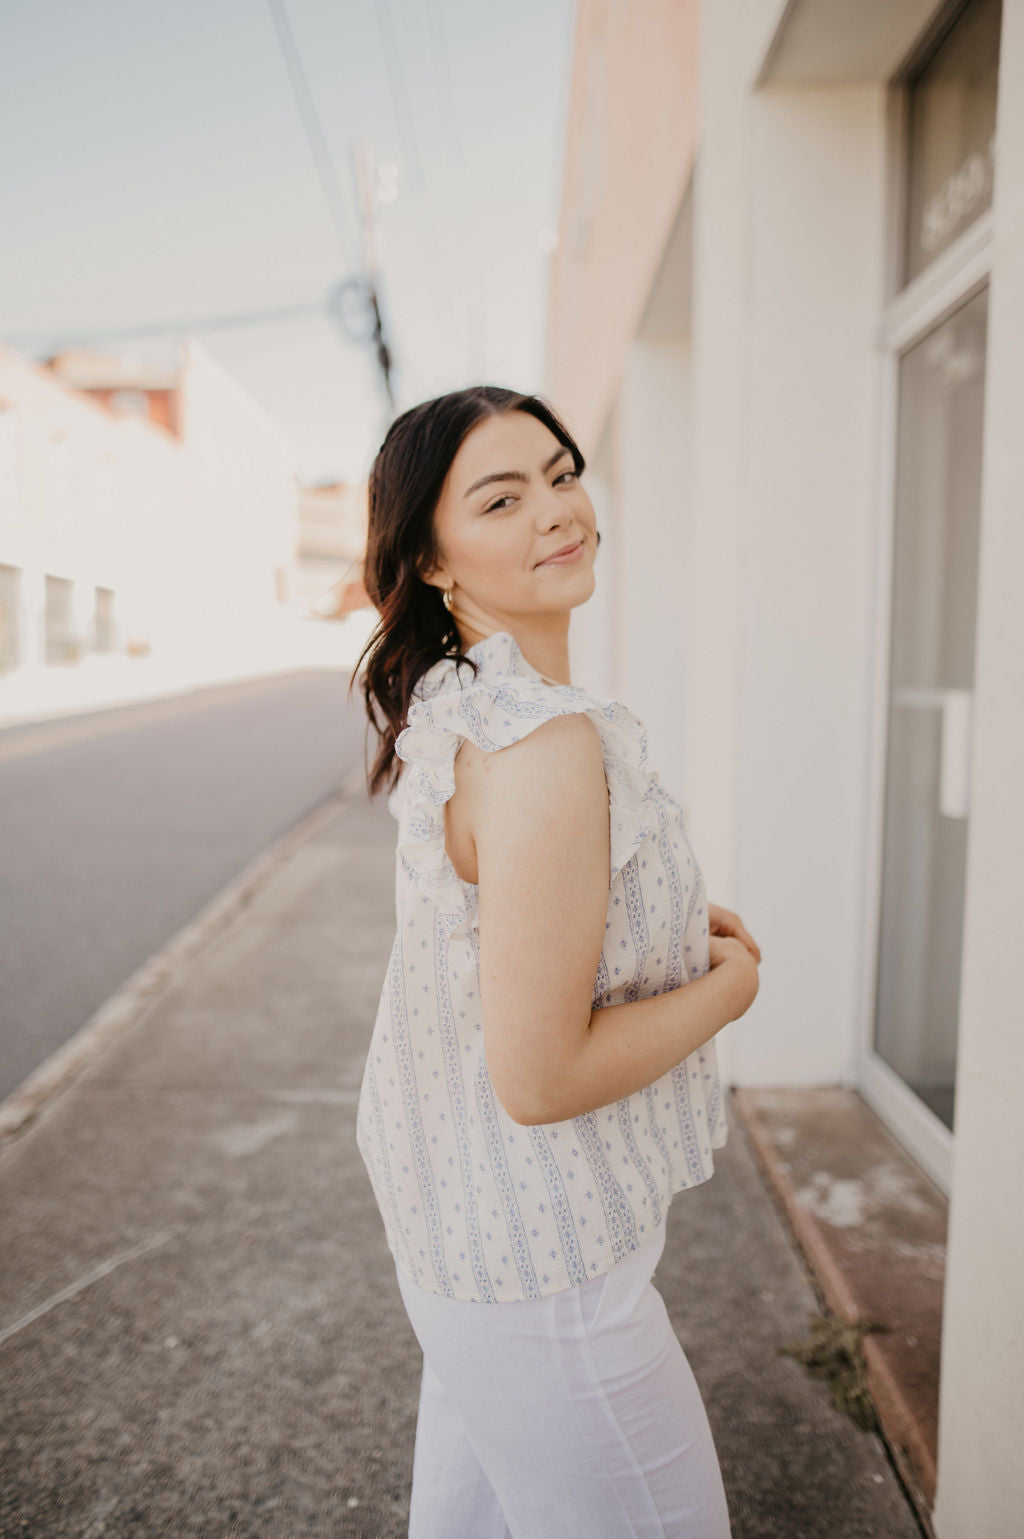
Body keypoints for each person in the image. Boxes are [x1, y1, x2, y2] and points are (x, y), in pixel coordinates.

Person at [353, 385, 762, 1538]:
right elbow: (538, 1080)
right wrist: (727, 989)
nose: (557, 510)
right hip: (541, 1272)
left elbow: (494, 926)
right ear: (433, 562)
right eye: (501, 496)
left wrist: (651, 921)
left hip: (468, 1228)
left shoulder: (464, 699)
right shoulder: (537, 741)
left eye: (562, 473)